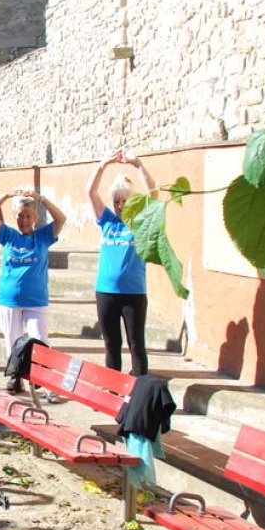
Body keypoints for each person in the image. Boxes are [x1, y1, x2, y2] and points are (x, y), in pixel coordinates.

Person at [0, 188, 66, 394]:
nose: (24, 220)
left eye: (28, 216)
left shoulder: (43, 236)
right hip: (9, 300)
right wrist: (5, 196)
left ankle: (47, 384)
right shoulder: (8, 235)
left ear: (35, 218)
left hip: (36, 300)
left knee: (39, 341)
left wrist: (41, 199)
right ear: (15, 217)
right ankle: (15, 378)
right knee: (12, 342)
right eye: (20, 215)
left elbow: (61, 219)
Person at [87, 150, 158, 376]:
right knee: (112, 344)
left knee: (136, 344)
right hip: (106, 292)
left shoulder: (139, 220)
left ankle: (139, 393)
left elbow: (154, 193)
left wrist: (139, 165)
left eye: (124, 201)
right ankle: (113, 392)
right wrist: (103, 164)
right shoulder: (107, 220)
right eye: (116, 201)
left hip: (133, 293)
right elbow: (90, 192)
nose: (119, 205)